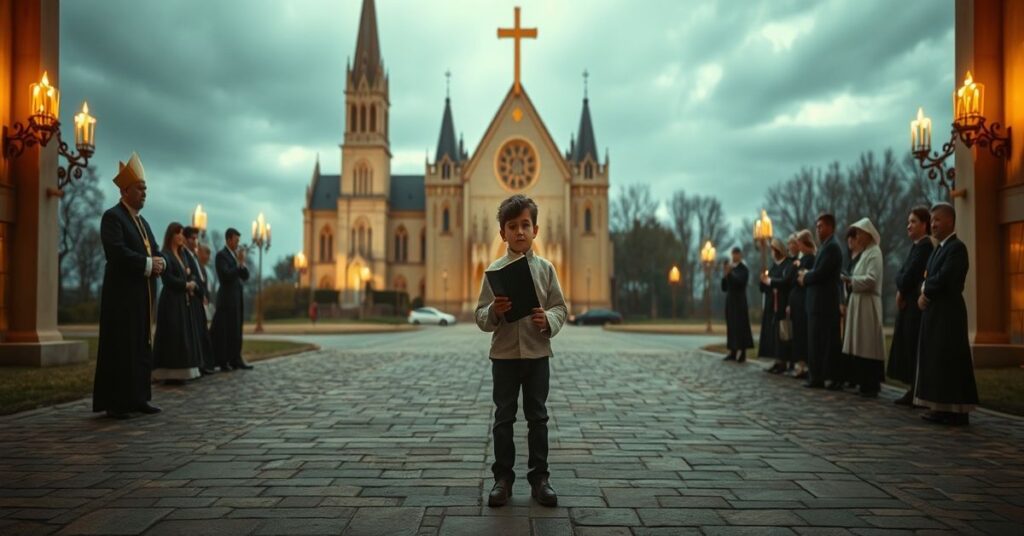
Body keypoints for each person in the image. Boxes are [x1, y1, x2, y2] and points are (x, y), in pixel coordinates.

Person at [475, 194, 567, 508]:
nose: (519, 232)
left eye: (525, 225)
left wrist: (548, 319)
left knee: (538, 417)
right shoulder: (494, 271)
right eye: (512, 226)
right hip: (503, 357)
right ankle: (503, 479)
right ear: (502, 233)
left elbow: (560, 308)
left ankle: (540, 479)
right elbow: (480, 316)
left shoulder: (546, 269)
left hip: (538, 354)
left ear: (535, 229)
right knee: (503, 418)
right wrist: (495, 311)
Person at [93, 152, 165, 419]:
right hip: (122, 298)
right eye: (140, 188)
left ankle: (139, 397)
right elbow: (117, 252)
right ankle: (118, 401)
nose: (145, 193)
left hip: (143, 298)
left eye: (146, 188)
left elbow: (156, 251)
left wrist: (162, 263)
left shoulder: (142, 222)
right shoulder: (112, 217)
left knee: (141, 345)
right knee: (122, 346)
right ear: (125, 190)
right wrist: (148, 265)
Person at [915, 202, 978, 426]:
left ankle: (956, 409)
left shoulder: (957, 248)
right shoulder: (939, 249)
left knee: (949, 358)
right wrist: (925, 289)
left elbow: (946, 276)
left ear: (950, 221)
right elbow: (928, 274)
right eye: (931, 220)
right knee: (936, 359)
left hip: (949, 313)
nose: (933, 224)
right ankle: (939, 405)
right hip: (936, 312)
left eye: (937, 220)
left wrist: (925, 291)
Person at [887, 206, 934, 406]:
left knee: (913, 348)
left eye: (913, 221)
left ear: (925, 224)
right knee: (907, 347)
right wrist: (900, 284)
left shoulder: (925, 248)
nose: (909, 225)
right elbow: (900, 274)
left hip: (915, 308)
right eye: (908, 221)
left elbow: (908, 276)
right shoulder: (915, 247)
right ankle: (911, 388)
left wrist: (901, 287)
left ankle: (916, 390)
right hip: (908, 306)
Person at [841, 218, 886, 397]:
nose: (857, 237)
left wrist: (851, 280)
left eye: (859, 233)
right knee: (861, 343)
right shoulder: (866, 253)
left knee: (868, 343)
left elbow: (872, 279)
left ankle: (871, 382)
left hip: (868, 304)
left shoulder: (874, 253)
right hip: (859, 302)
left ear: (868, 234)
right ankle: (863, 380)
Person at [152, 223, 201, 383]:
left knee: (183, 336)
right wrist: (185, 285)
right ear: (171, 236)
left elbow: (190, 273)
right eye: (178, 233)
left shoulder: (183, 255)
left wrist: (192, 281)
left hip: (183, 300)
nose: (181, 236)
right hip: (171, 300)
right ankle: (168, 373)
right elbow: (167, 278)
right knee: (172, 335)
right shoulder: (165, 254)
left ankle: (181, 371)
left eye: (181, 233)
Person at [798, 213, 843, 389]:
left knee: (826, 343)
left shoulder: (832, 247)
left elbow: (821, 273)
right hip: (817, 303)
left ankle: (828, 377)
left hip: (824, 303)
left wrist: (805, 277)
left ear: (831, 227)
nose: (818, 230)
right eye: (816, 227)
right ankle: (816, 376)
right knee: (816, 342)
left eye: (821, 226)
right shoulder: (826, 246)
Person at [210, 228, 253, 371]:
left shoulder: (235, 256)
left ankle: (236, 358)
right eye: (236, 240)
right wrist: (237, 264)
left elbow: (245, 276)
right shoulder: (221, 256)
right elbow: (226, 276)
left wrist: (241, 264)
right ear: (228, 240)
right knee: (226, 331)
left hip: (237, 298)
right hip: (226, 299)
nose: (238, 244)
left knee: (237, 329)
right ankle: (224, 361)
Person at [183, 226, 217, 375]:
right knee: (196, 333)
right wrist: (199, 292)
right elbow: (192, 277)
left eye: (197, 238)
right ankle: (199, 364)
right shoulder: (185, 255)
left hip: (199, 298)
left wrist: (204, 294)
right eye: (192, 238)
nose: (195, 241)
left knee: (202, 333)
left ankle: (203, 364)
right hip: (193, 299)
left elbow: (201, 279)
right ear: (186, 239)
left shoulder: (193, 256)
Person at [787, 230, 816, 379]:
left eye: (799, 243)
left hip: (803, 300)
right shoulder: (801, 259)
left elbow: (801, 279)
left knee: (802, 334)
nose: (797, 246)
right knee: (798, 333)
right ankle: (800, 364)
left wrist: (798, 270)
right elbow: (792, 279)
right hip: (796, 301)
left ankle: (803, 365)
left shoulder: (810, 259)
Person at [762, 238, 793, 374]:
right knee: (774, 333)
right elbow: (766, 285)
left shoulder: (787, 264)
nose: (771, 253)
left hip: (782, 303)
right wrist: (763, 281)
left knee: (783, 333)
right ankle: (777, 360)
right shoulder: (774, 266)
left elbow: (784, 283)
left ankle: (784, 361)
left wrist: (770, 281)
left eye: (773, 250)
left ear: (778, 250)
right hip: (771, 304)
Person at [721, 247, 754, 362]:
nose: (734, 256)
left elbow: (740, 282)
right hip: (730, 301)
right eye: (733, 254)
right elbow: (724, 287)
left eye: (737, 254)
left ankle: (742, 352)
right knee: (731, 326)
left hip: (740, 301)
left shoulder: (743, 269)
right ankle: (732, 351)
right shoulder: (730, 268)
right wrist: (725, 275)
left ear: (740, 255)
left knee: (741, 326)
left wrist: (730, 274)